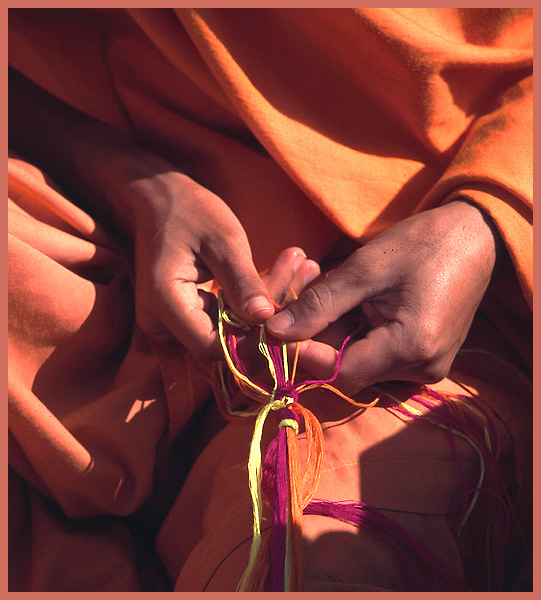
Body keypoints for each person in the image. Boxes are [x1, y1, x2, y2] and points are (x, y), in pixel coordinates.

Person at [8, 8, 532, 592]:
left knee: (323, 567)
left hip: (398, 334)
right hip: (66, 211)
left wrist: (485, 223)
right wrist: (136, 185)